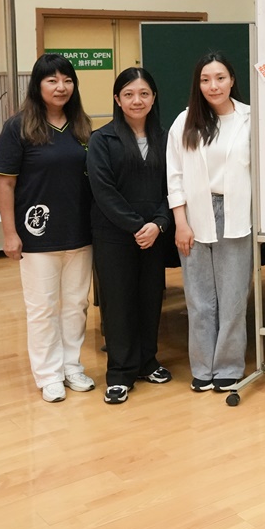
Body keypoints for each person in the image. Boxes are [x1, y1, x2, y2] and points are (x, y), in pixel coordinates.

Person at [0, 53, 94, 402]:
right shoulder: (18, 127)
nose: (60, 87)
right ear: (38, 85)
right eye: (52, 80)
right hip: (37, 235)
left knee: (76, 304)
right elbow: (5, 183)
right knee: (43, 307)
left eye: (67, 80)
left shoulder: (81, 126)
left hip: (80, 231)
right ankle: (48, 374)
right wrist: (10, 233)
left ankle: (71, 366)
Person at [87, 67, 175, 405]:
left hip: (154, 234)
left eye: (143, 94)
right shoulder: (102, 139)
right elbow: (103, 191)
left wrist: (159, 224)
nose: (137, 100)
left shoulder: (166, 139)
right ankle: (120, 373)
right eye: (128, 94)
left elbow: (174, 187)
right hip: (115, 235)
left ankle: (147, 362)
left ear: (153, 98)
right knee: (118, 302)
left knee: (150, 299)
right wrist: (137, 226)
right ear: (117, 99)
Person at [166, 52, 252, 393]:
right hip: (195, 214)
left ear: (232, 80)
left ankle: (229, 366)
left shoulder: (250, 118)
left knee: (233, 298)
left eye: (219, 78)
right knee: (199, 300)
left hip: (236, 213)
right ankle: (202, 367)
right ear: (197, 84)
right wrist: (180, 222)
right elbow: (174, 175)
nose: (213, 85)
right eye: (205, 79)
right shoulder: (184, 121)